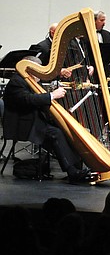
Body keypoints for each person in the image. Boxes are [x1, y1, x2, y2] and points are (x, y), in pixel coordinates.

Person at [2, 56, 96, 184]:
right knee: (55, 133)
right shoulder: (16, 82)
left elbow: (38, 99)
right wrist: (52, 95)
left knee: (66, 129)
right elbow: (28, 100)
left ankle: (76, 168)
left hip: (34, 119)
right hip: (22, 124)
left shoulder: (30, 80)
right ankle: (72, 172)